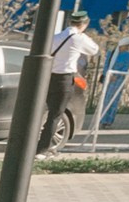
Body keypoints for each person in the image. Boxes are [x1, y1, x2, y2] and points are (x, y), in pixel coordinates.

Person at [41, 10, 100, 152]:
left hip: (49, 77)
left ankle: (41, 145)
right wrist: (82, 35)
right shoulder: (79, 38)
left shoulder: (56, 37)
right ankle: (43, 148)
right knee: (56, 114)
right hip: (64, 79)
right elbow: (94, 50)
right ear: (84, 24)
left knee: (47, 112)